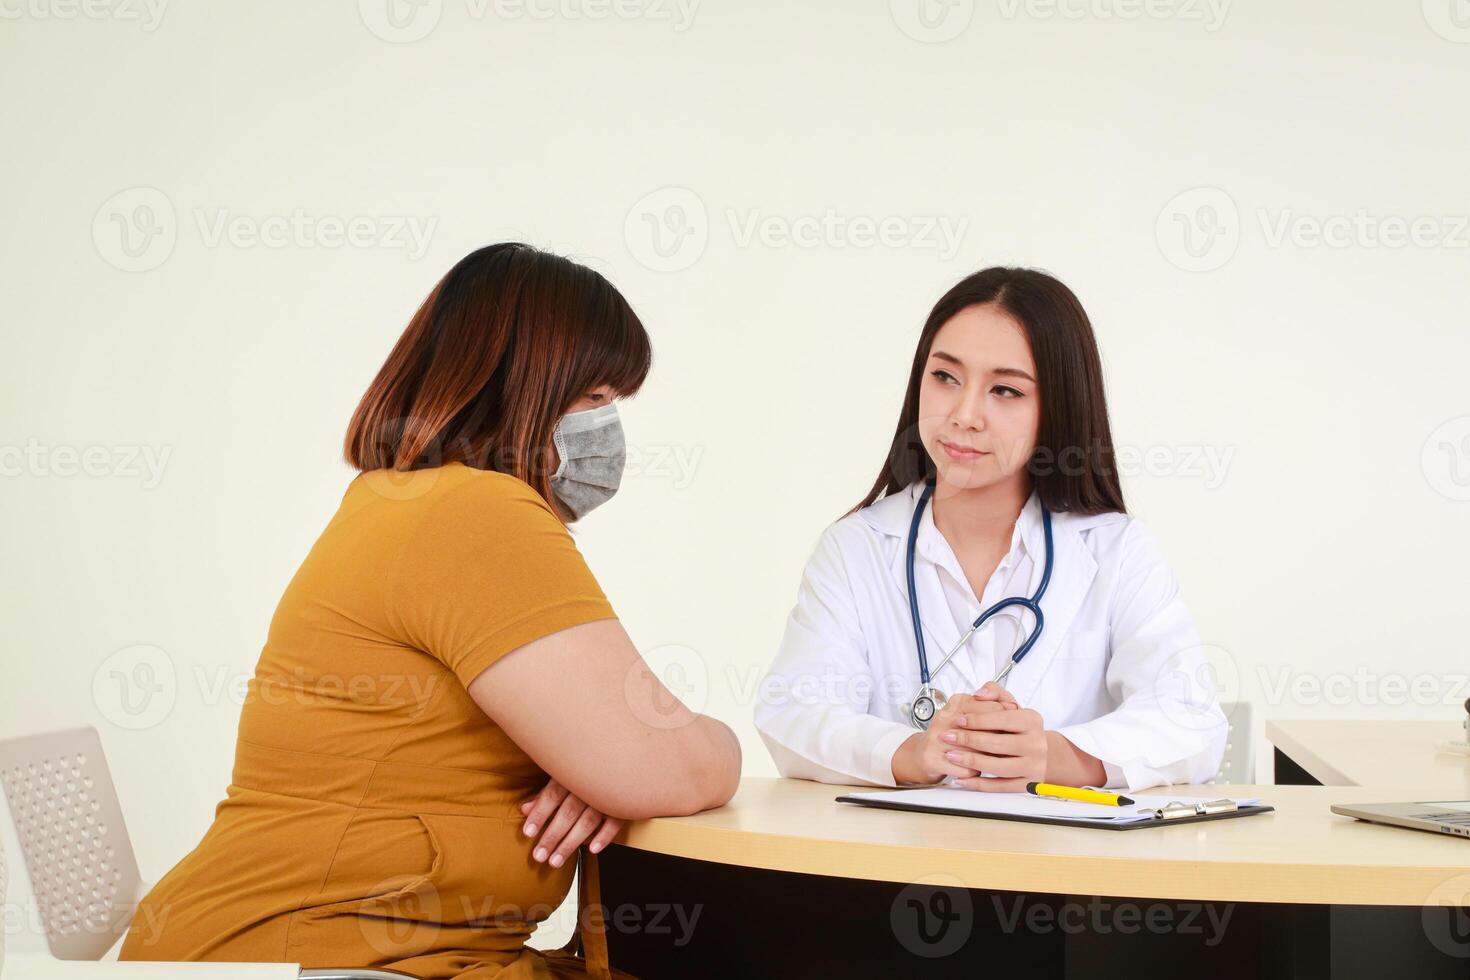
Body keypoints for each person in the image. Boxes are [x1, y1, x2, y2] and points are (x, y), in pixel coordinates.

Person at [119, 243, 741, 978]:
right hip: (308, 958)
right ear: (524, 387)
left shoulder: (409, 499)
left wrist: (605, 762)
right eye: (595, 398)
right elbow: (661, 765)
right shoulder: (474, 513)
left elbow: (638, 762)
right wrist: (661, 757)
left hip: (348, 954)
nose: (608, 430)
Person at [754, 266, 1225, 792]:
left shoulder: (1115, 550)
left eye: (1005, 390)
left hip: (1059, 868)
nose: (964, 414)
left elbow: (1193, 721)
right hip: (900, 864)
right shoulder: (856, 549)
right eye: (945, 377)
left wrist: (1052, 755)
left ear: (1058, 408)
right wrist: (915, 751)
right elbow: (793, 712)